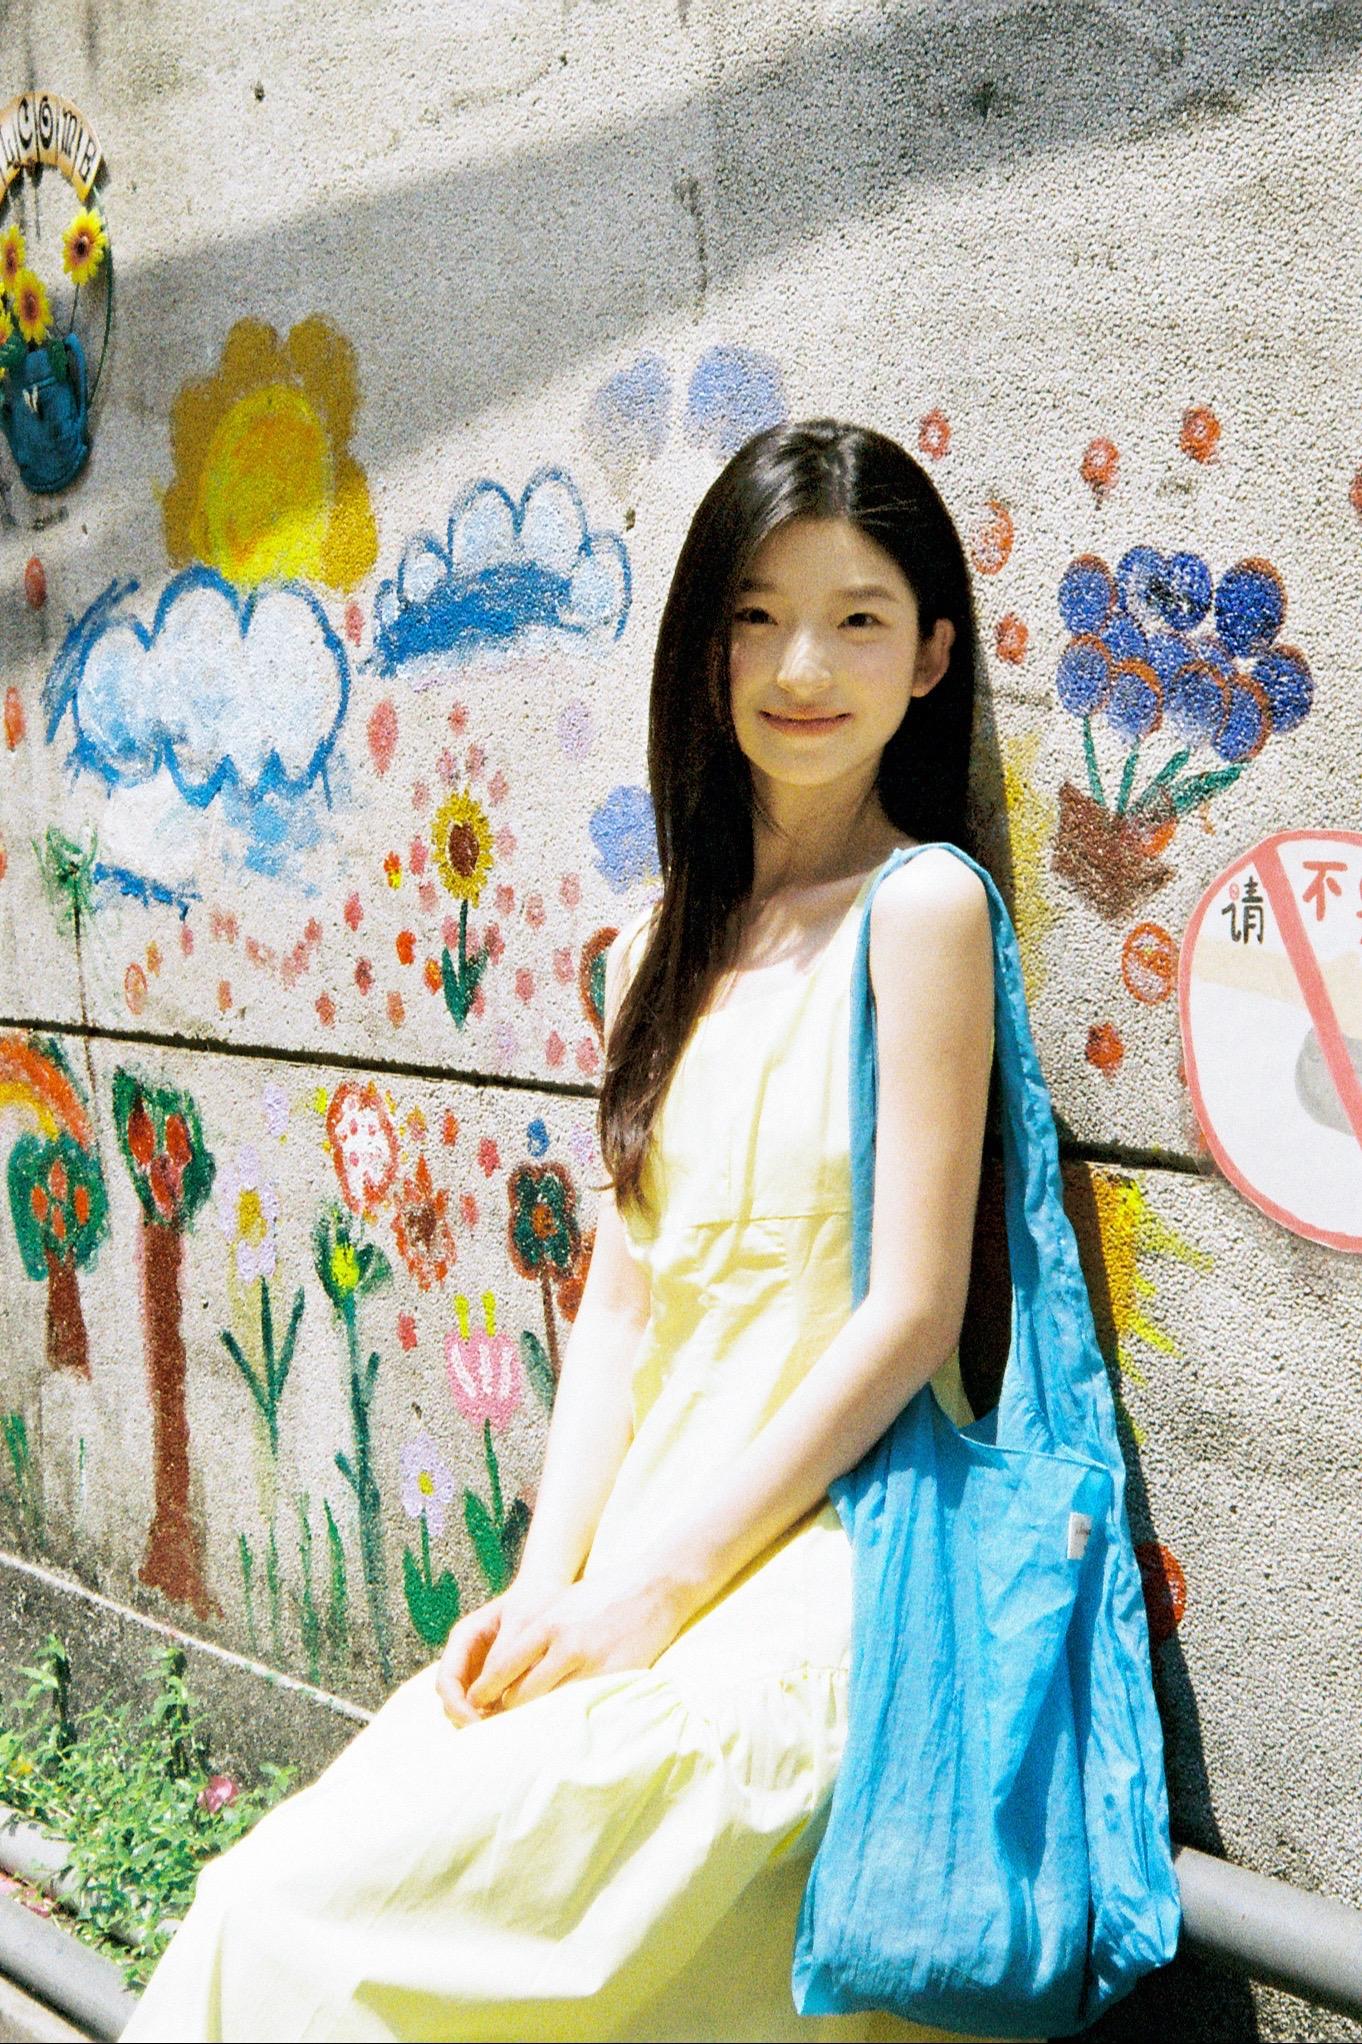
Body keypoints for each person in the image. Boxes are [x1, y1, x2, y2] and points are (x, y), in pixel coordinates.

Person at [122, 418, 998, 2043]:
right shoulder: (647, 944)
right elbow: (620, 1303)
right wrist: (548, 1583)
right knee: (283, 1894)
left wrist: (652, 1598)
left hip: (817, 1563)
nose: (801, 666)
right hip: (632, 1552)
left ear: (931, 657)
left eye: (858, 618)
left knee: (314, 1924)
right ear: (703, 647)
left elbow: (910, 1312)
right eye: (755, 614)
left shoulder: (922, 910)